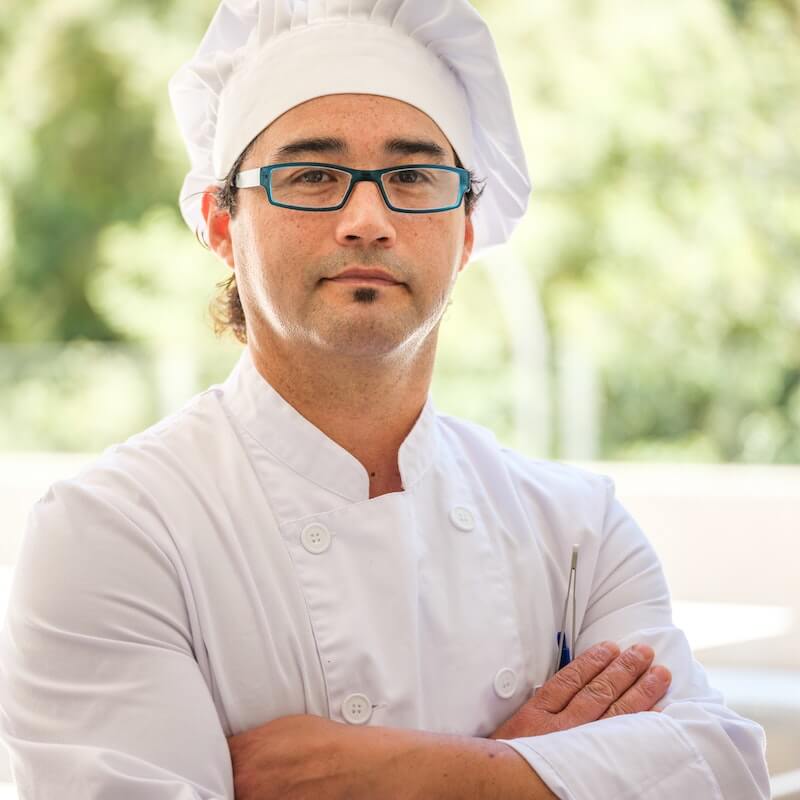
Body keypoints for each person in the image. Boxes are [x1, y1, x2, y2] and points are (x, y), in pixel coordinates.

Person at [0, 1, 770, 798]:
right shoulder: (116, 534)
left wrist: (415, 777)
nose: (367, 219)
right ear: (222, 223)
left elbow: (720, 769)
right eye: (313, 176)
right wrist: (547, 775)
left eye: (411, 176)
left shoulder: (579, 531)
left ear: (466, 231)